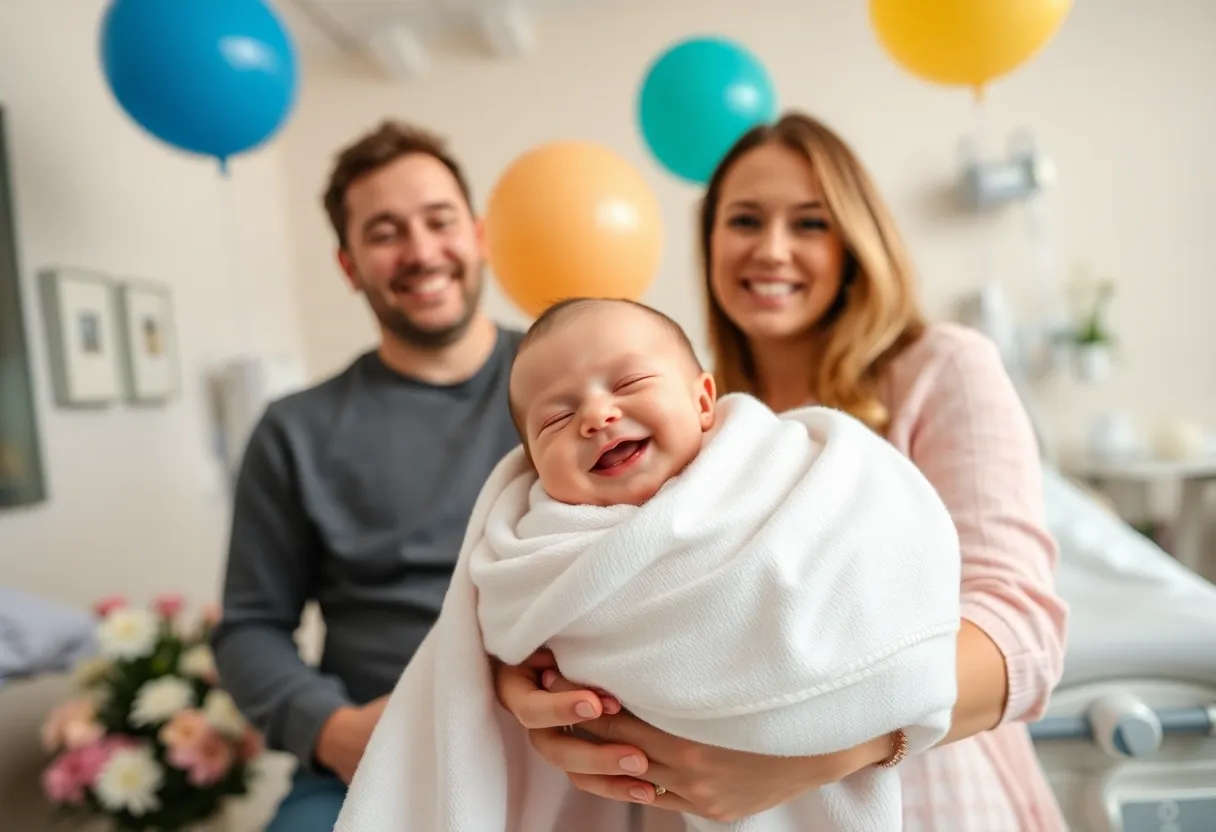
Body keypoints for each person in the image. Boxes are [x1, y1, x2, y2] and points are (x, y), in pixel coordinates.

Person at [492, 112, 1070, 830]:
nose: (771, 250)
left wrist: (805, 756)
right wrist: (536, 672)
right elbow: (616, 585)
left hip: (931, 790)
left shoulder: (940, 370)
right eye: (743, 221)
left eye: (809, 224)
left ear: (856, 241)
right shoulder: (673, 430)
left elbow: (1023, 635)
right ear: (708, 245)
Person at [332, 295, 963, 832]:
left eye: (629, 384)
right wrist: (508, 669)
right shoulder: (535, 547)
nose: (596, 417)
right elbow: (503, 630)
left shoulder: (785, 473)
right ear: (534, 469)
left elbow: (877, 557)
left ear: (705, 402)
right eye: (555, 418)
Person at [211, 120, 524, 832]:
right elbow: (249, 628)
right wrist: (331, 729)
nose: (420, 251)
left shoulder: (577, 387)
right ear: (349, 265)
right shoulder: (295, 431)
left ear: (477, 236)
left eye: (438, 222)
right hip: (377, 757)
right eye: (385, 233)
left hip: (567, 747)